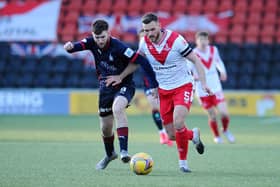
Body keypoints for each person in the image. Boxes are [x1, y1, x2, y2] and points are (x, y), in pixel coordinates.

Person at [107, 13, 211, 173]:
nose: (149, 33)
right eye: (146, 30)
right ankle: (192, 135)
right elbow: (137, 63)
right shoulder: (144, 43)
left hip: (183, 86)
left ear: (160, 26)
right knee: (171, 135)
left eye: (152, 29)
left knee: (178, 122)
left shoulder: (176, 40)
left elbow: (196, 60)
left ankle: (183, 163)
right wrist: (120, 77)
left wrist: (203, 83)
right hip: (163, 91)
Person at [64, 19, 158, 170]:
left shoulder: (118, 46)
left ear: (108, 33)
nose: (100, 41)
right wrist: (69, 47)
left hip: (125, 85)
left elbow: (141, 61)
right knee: (105, 128)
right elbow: (75, 47)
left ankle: (124, 151)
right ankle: (110, 154)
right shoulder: (91, 42)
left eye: (103, 37)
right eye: (97, 37)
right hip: (106, 88)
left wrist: (123, 77)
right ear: (93, 35)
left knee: (118, 108)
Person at [192, 31, 235, 144]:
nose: (203, 42)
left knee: (224, 113)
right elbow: (189, 69)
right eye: (200, 40)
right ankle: (217, 136)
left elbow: (218, 61)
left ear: (208, 40)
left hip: (216, 87)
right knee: (212, 114)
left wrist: (223, 72)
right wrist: (194, 76)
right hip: (202, 90)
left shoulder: (213, 50)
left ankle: (225, 130)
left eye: (205, 39)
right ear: (196, 41)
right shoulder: (193, 53)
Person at [139, 29, 173, 147]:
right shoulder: (140, 53)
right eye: (141, 38)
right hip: (149, 85)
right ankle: (162, 133)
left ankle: (171, 132)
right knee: (155, 107)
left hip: (166, 84)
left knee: (167, 110)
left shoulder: (158, 50)